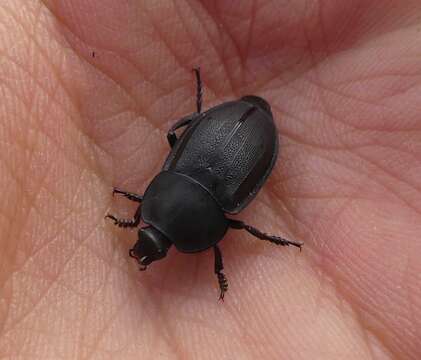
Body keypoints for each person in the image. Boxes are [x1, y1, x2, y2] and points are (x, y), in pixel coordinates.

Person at [0, 1, 419, 359]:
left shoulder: (176, 196)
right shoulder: (175, 200)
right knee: (180, 147)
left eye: (144, 226)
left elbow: (180, 208)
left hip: (243, 134)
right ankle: (200, 120)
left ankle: (201, 119)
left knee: (181, 149)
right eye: (150, 236)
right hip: (246, 140)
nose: (147, 246)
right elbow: (180, 211)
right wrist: (145, 211)